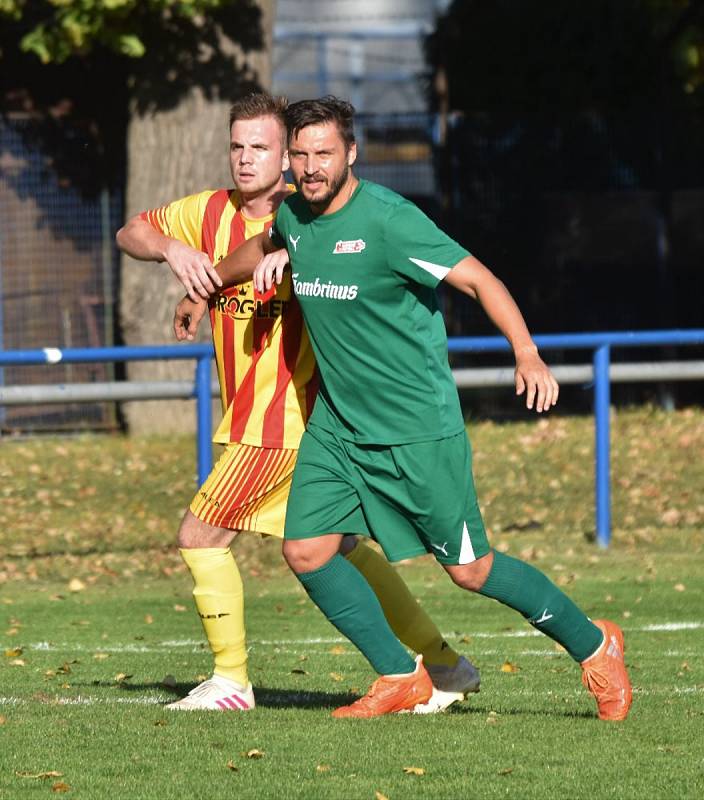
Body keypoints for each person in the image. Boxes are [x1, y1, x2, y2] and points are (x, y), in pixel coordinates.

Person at [174, 95, 633, 722]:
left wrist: (527, 354)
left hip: (417, 430)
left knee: (471, 570)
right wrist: (208, 287)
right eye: (301, 155)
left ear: (351, 154)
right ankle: (400, 675)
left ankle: (594, 644)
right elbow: (262, 245)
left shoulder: (390, 221)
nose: (310, 168)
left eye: (324, 155)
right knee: (306, 550)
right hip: (338, 426)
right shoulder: (296, 218)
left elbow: (480, 280)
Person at [116, 93, 480, 713]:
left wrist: (287, 252)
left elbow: (337, 246)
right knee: (338, 547)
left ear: (289, 156)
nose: (246, 158)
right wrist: (176, 255)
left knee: (200, 535)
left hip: (285, 419)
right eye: (237, 146)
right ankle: (444, 663)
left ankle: (231, 679)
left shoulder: (305, 212)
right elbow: (131, 231)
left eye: (261, 146)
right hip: (249, 419)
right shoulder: (207, 211)